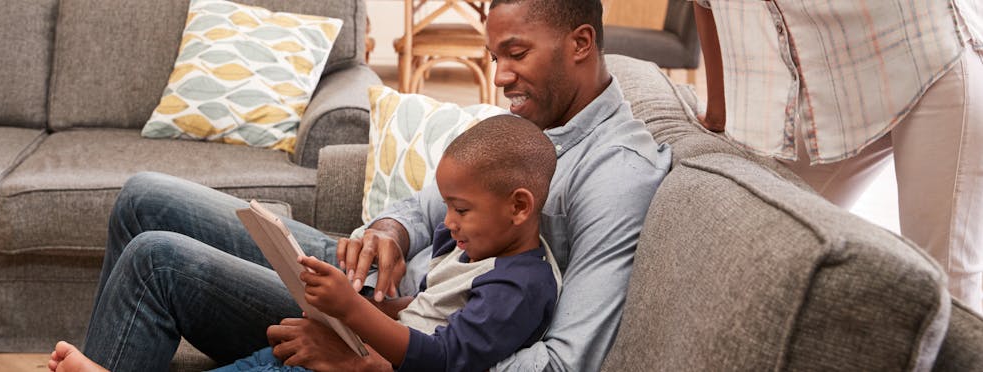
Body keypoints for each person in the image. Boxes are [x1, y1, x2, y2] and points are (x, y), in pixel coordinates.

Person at [51, 0, 672, 370]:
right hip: (384, 294)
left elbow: (562, 362)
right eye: (495, 59)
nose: (502, 77)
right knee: (142, 195)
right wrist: (388, 230)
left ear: (581, 43)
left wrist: (374, 357)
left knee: (157, 261)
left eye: (517, 54)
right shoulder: (533, 118)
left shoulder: (616, 173)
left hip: (393, 333)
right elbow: (430, 207)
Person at [693, 0, 983, 311]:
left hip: (928, 50)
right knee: (760, 257)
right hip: (837, 92)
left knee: (948, 293)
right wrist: (716, 112)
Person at [213, 115, 562, 372]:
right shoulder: (469, 244)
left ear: (518, 207)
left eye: (461, 209)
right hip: (348, 348)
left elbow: (443, 359)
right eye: (447, 205)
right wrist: (347, 314)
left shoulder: (520, 287)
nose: (447, 221)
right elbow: (425, 306)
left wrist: (352, 308)